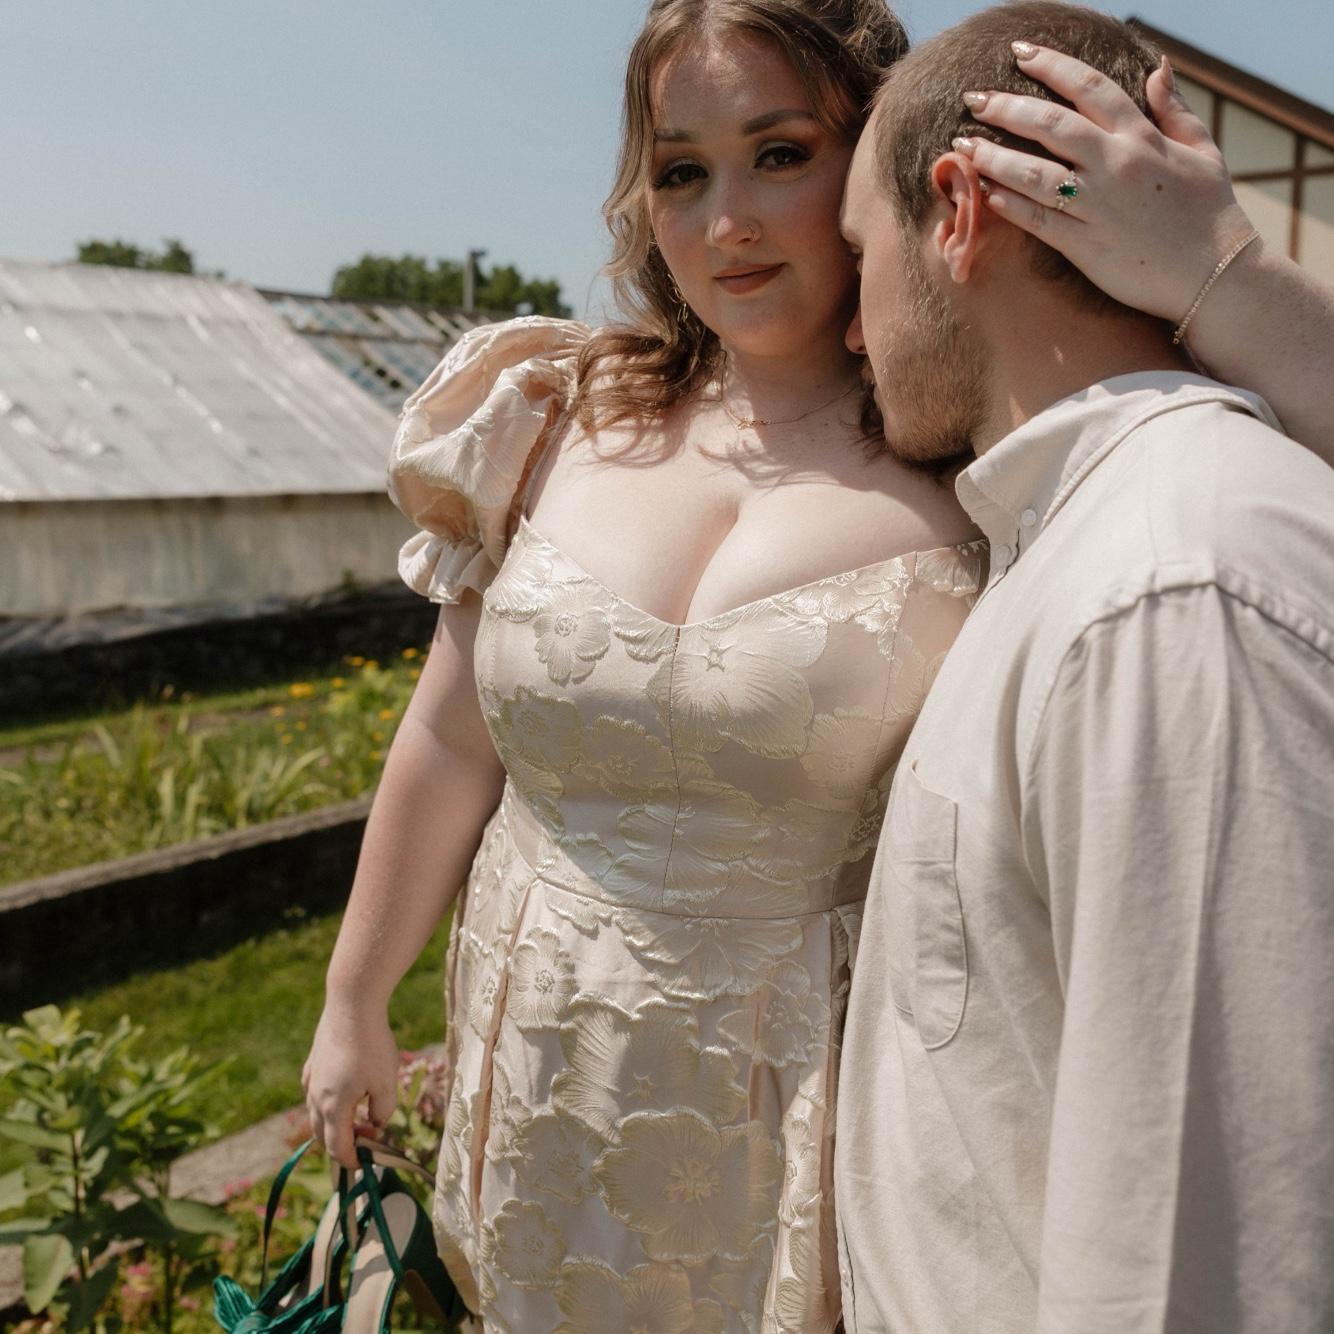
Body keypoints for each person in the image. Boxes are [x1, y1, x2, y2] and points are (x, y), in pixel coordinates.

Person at [306, 3, 983, 1328]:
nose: (726, 222)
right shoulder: (548, 415)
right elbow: (448, 740)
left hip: (796, 1096)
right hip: (538, 1061)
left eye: (778, 154)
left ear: (874, 162)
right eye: (681, 170)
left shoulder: (975, 463)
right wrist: (352, 999)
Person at [835, 4, 1334, 1331]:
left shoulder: (1171, 592)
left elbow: (1199, 1260)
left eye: (858, 254)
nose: (850, 331)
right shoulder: (1090, 546)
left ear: (956, 212)